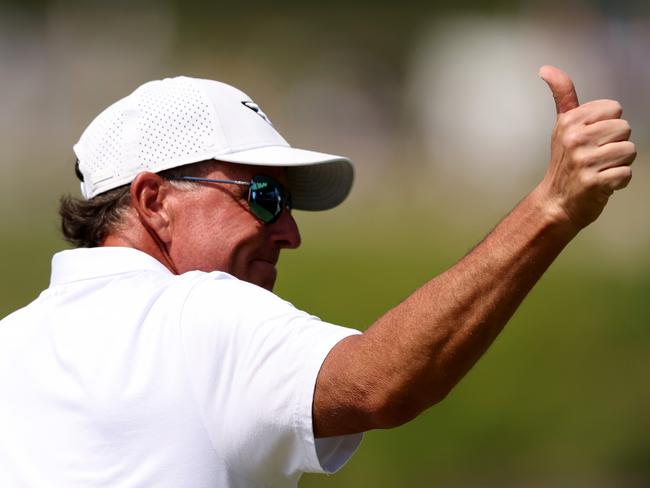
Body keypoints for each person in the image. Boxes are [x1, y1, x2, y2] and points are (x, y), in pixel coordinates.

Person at [0, 65, 636, 487]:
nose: (290, 232)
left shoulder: (12, 344)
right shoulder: (198, 315)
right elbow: (380, 383)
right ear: (154, 202)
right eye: (263, 198)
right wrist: (550, 210)